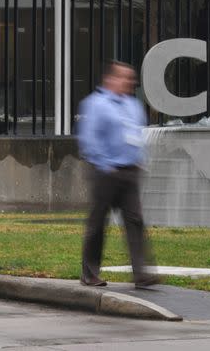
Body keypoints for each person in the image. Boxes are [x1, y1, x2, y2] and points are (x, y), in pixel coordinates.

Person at [77, 60, 158, 288]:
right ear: (110, 79)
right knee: (98, 224)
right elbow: (89, 139)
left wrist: (141, 159)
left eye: (131, 78)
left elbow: (137, 134)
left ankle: (141, 274)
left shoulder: (133, 105)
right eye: (125, 77)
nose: (130, 82)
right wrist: (105, 164)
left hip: (130, 172)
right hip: (106, 172)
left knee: (135, 221)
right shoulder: (96, 104)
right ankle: (89, 273)